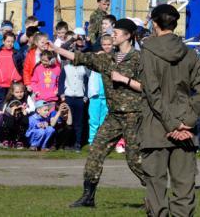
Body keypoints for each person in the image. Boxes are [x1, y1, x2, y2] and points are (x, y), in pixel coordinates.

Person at [51, 18, 145, 208]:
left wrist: (124, 80)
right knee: (95, 151)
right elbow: (81, 58)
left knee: (134, 159)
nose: (114, 34)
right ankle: (88, 197)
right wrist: (56, 49)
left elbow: (147, 87)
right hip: (114, 116)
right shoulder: (106, 58)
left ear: (129, 36)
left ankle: (155, 193)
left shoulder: (140, 59)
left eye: (118, 32)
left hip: (134, 115)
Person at [139, 4, 200, 217]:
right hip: (185, 127)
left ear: (155, 23)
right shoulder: (191, 53)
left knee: (156, 190)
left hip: (157, 127)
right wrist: (188, 121)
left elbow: (152, 92)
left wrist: (173, 124)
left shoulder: (147, 52)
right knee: (184, 189)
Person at [58, 46, 89, 152]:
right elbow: (61, 82)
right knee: (67, 122)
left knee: (79, 122)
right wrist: (62, 94)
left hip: (80, 99)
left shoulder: (83, 69)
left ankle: (78, 143)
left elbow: (86, 83)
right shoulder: (66, 68)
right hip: (68, 98)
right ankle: (67, 143)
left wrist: (85, 96)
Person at [87, 35, 113, 144]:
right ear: (101, 45)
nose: (107, 47)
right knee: (93, 120)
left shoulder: (114, 58)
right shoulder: (96, 57)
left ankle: (102, 141)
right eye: (104, 45)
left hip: (108, 95)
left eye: (109, 44)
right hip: (95, 94)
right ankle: (92, 140)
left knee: (104, 120)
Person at [0, 32, 23, 109]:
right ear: (3, 41)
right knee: (1, 107)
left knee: (14, 106)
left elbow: (22, 68)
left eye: (12, 42)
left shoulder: (17, 53)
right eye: (8, 41)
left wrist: (19, 78)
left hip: (14, 85)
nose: (10, 44)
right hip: (0, 85)